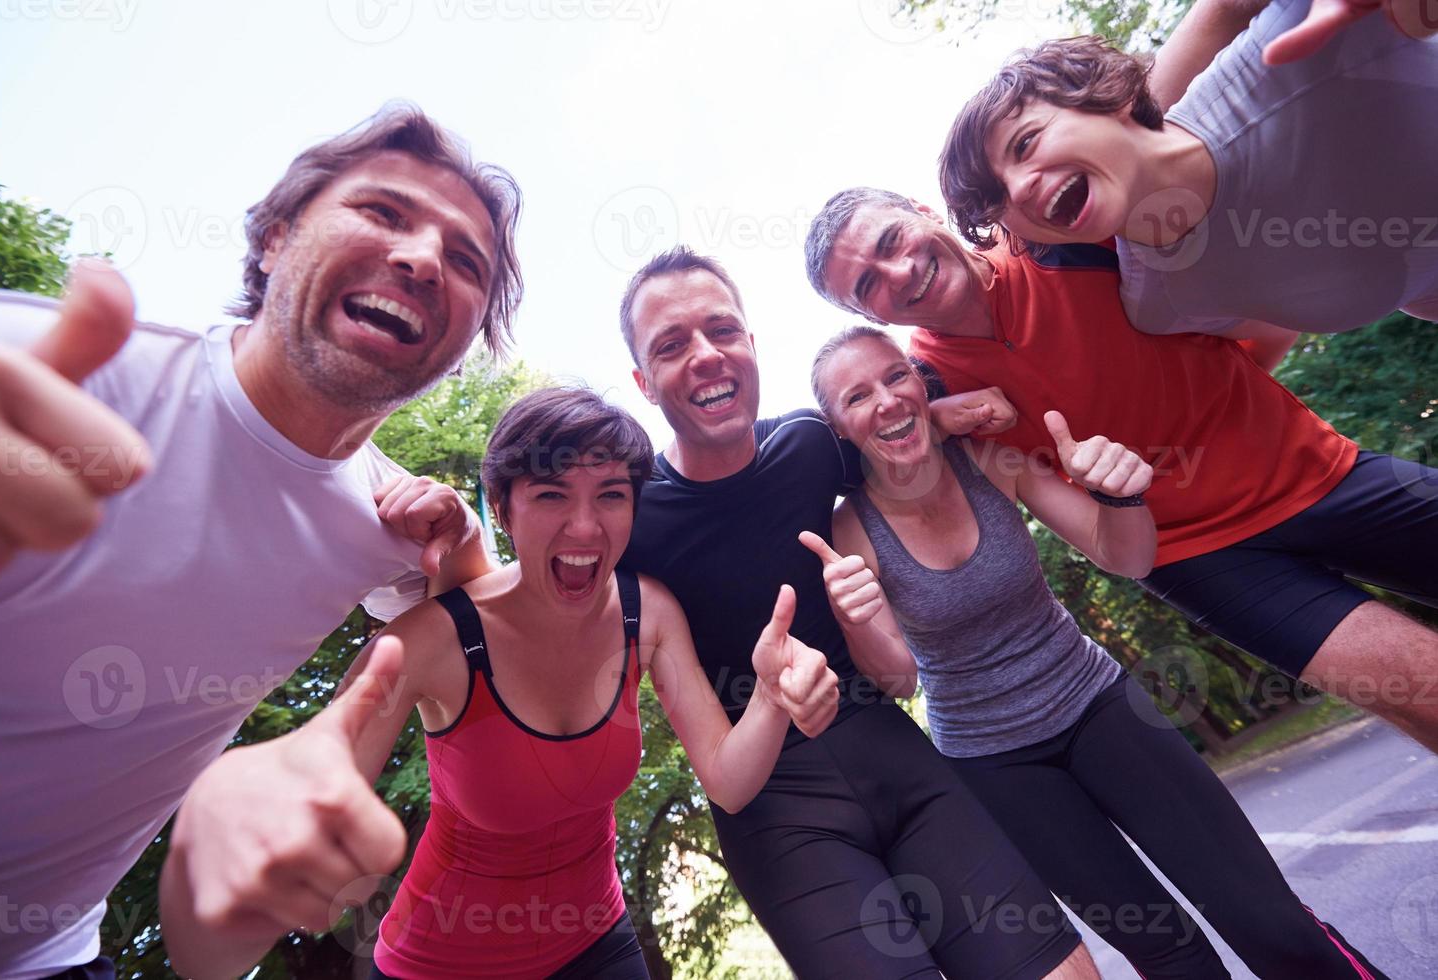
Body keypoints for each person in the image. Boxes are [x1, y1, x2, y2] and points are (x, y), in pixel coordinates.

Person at [0, 103, 521, 980]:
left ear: (464, 344)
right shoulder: (42, 369)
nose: (421, 258)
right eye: (381, 213)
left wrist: (457, 545)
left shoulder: (389, 514)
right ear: (272, 238)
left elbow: (484, 626)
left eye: (466, 261)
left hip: (43, 958)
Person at [158, 386, 842, 978]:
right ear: (502, 506)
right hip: (437, 962)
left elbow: (726, 777)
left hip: (597, 943)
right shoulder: (434, 639)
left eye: (611, 495)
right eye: (551, 494)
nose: (585, 525)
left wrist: (770, 696)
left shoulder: (646, 611)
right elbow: (298, 818)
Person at [809, 324, 1389, 979]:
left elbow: (1124, 553)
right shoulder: (850, 529)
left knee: (1266, 917)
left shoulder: (989, 460)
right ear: (836, 428)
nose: (886, 400)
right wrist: (855, 621)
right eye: (857, 397)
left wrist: (1120, 495)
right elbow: (897, 679)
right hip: (994, 763)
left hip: (1099, 706)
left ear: (920, 383)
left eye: (895, 377)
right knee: (1168, 953)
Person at [806, 184, 1438, 753]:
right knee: (1416, 688)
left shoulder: (1056, 235)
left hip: (1313, 471)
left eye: (892, 241)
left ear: (921, 210)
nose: (898, 272)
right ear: (870, 316)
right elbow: (852, 457)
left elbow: (1248, 283)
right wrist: (939, 416)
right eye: (866, 285)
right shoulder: (921, 386)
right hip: (1197, 557)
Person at [615, 246, 1102, 979]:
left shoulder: (809, 444)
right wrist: (450, 547)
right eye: (672, 345)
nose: (706, 356)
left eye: (722, 331)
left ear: (751, 344)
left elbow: (890, 439)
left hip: (891, 751)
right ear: (642, 382)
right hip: (775, 812)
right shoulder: (630, 518)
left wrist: (949, 410)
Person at [940, 0, 1438, 338]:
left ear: (1101, 95)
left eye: (1025, 144)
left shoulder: (1296, 42)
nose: (1020, 189)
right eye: (997, 201)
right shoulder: (1161, 304)